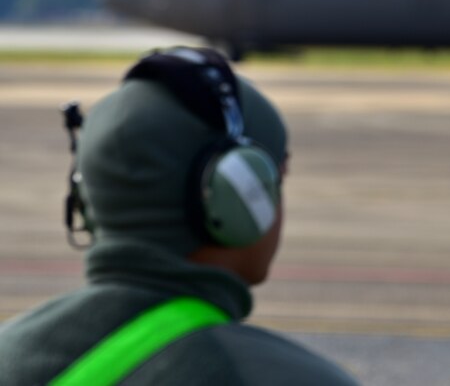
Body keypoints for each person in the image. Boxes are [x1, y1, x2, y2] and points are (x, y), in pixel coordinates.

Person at [0, 46, 358, 385]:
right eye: (274, 179)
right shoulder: (284, 377)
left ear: (85, 199)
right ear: (235, 196)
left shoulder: (10, 353)